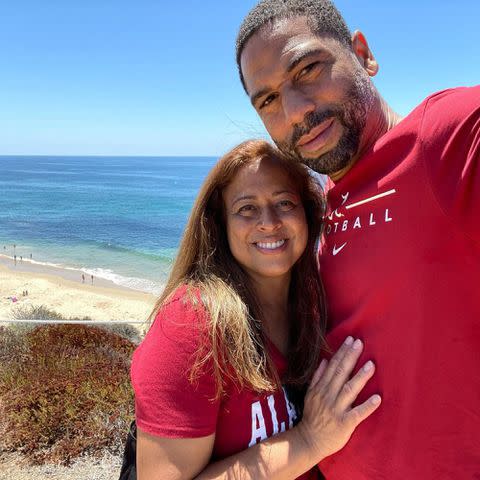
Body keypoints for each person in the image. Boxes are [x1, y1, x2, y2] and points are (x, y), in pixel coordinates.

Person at [236, 1, 480, 478]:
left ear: (363, 54)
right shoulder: (315, 208)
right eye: (267, 100)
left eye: (308, 68)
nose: (295, 111)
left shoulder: (443, 139)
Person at [131, 140, 380, 480]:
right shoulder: (192, 324)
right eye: (246, 208)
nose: (269, 222)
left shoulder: (315, 305)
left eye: (285, 202)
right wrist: (309, 439)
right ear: (221, 224)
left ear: (307, 214)